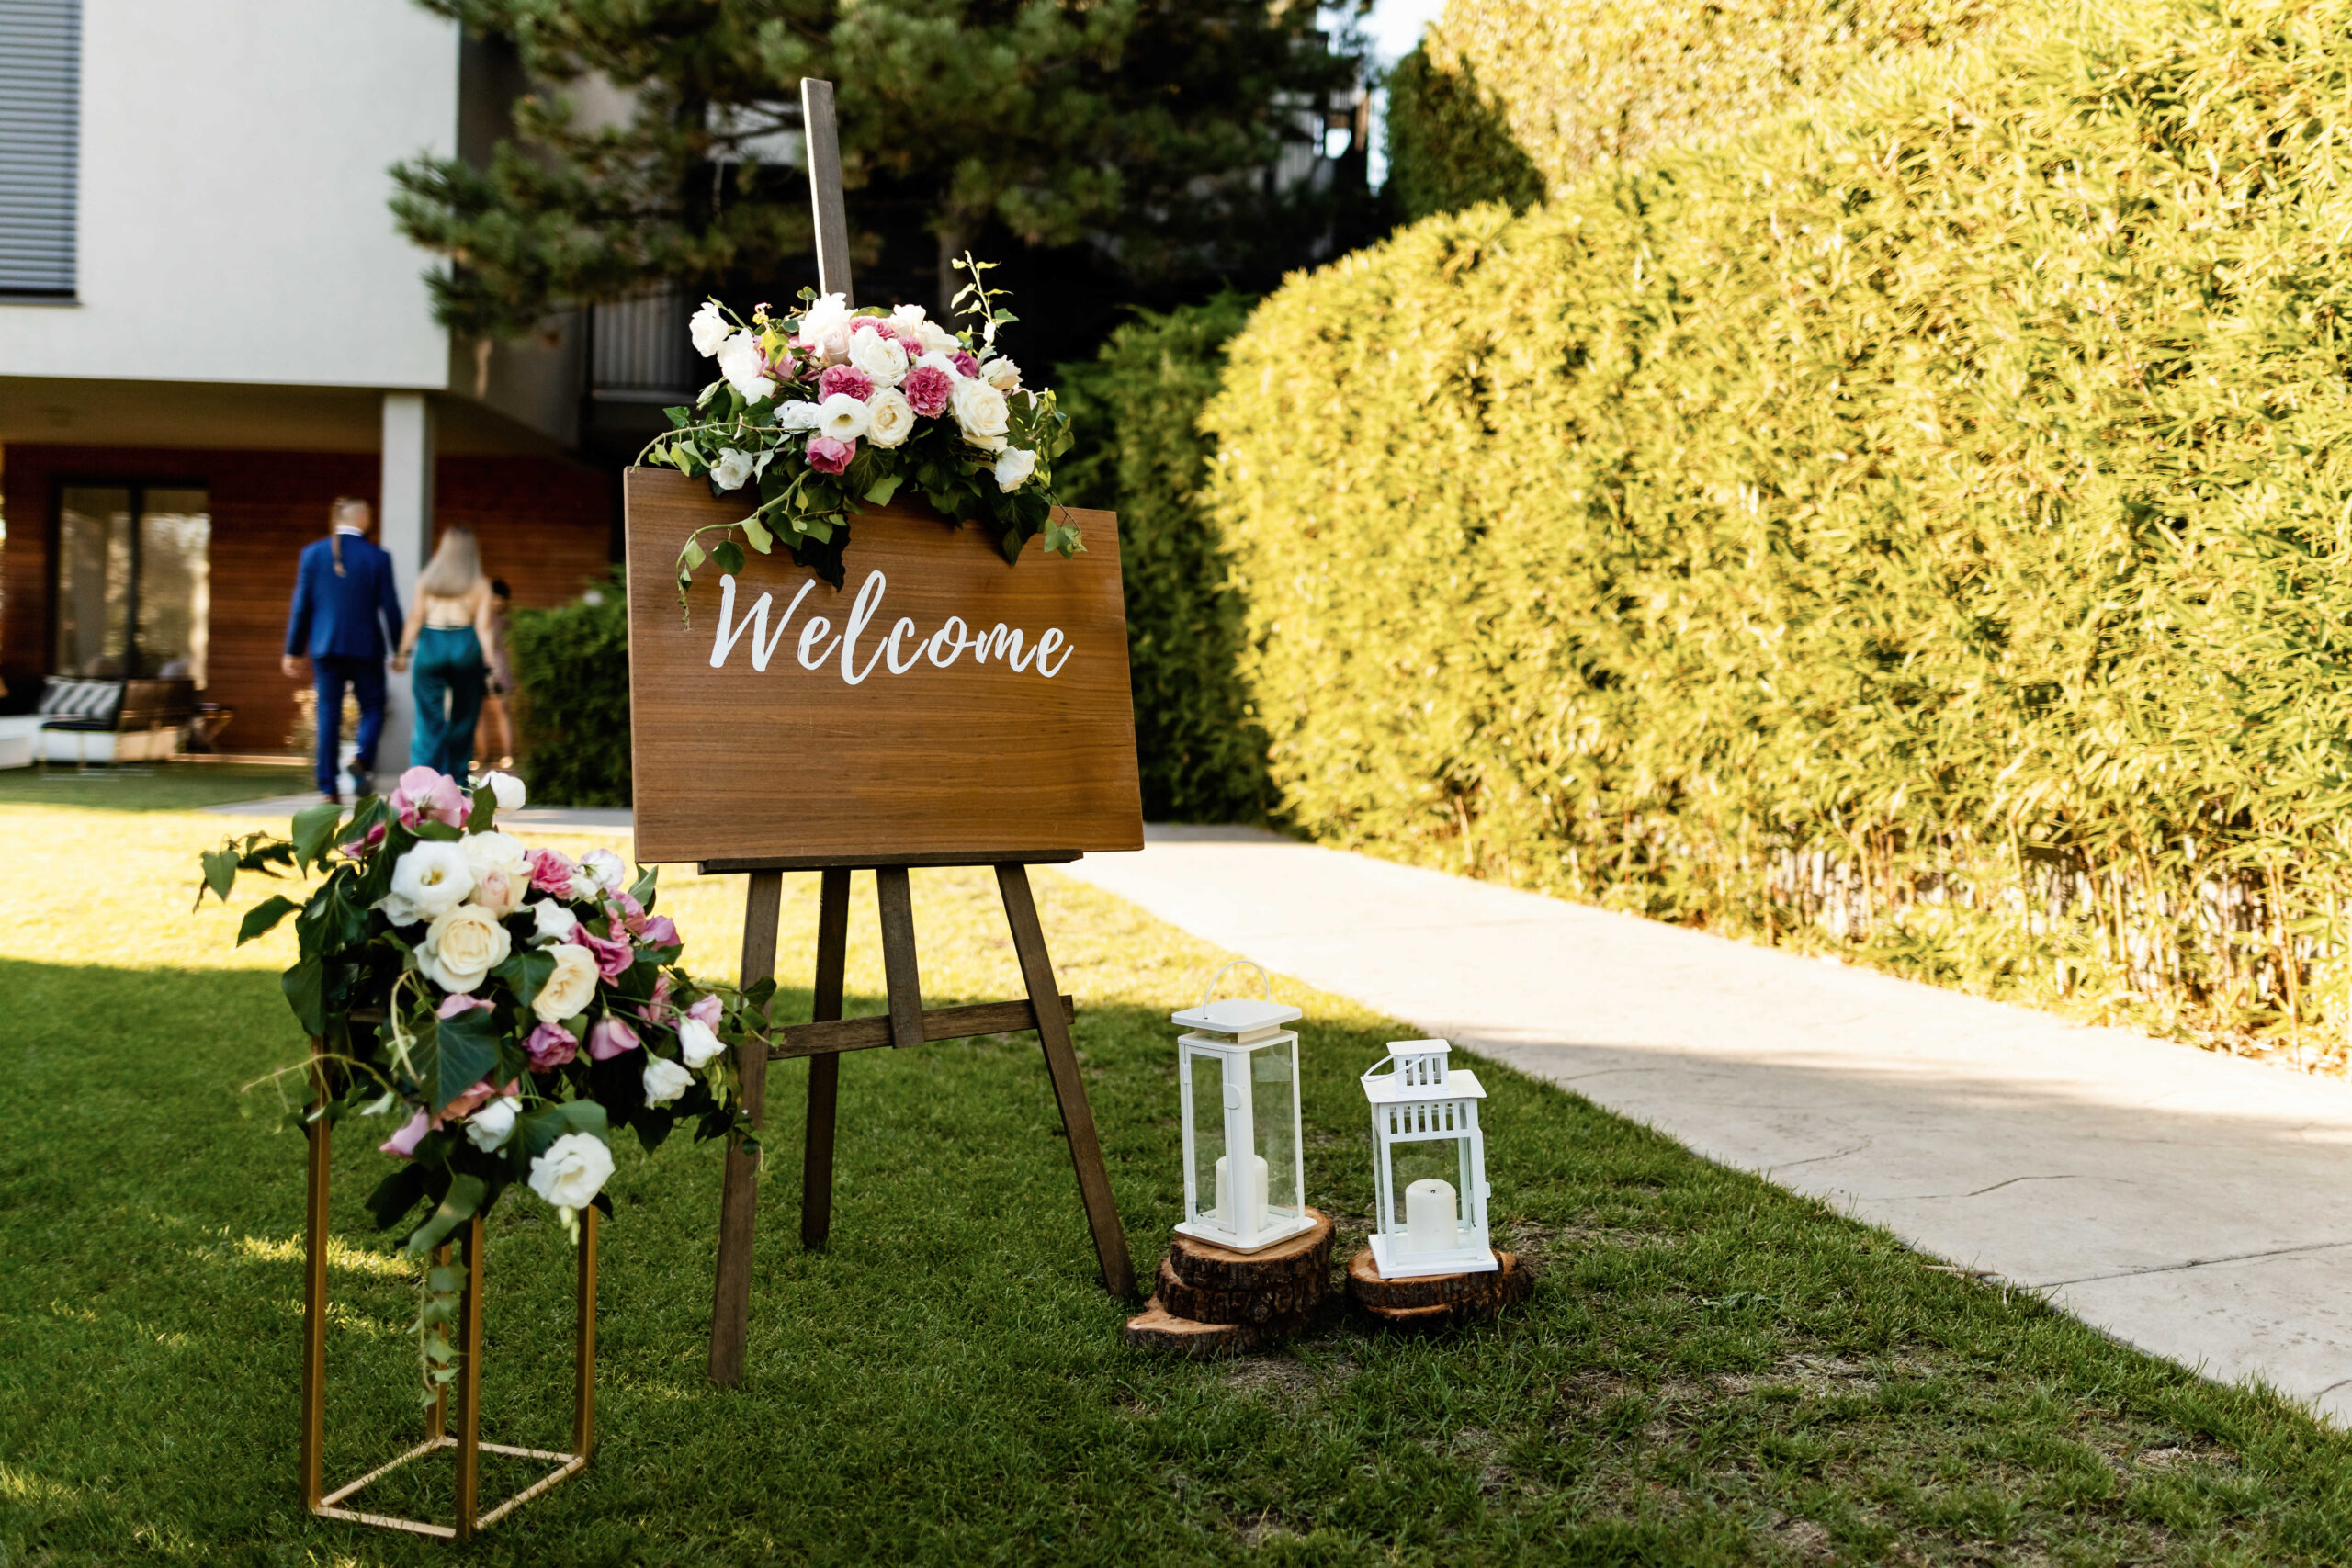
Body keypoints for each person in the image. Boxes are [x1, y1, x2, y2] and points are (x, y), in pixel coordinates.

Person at [283, 497, 402, 803]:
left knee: (328, 714)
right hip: (366, 647)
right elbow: (390, 607)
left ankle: (328, 788)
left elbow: (301, 607)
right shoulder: (377, 557)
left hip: (325, 647)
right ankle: (361, 759)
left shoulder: (312, 554)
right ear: (362, 519)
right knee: (374, 705)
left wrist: (292, 650)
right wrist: (401, 649)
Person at [393, 528, 499, 782]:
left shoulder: (428, 580)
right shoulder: (480, 584)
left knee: (428, 720)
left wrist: (402, 653)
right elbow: (483, 628)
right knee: (464, 717)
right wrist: (491, 666)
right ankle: (457, 782)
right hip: (464, 643)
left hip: (432, 643)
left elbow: (416, 617)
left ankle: (421, 783)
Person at [475, 578, 515, 772]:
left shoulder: (503, 619)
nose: (498, 602)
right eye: (495, 598)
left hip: (496, 666)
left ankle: (507, 754)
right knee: (479, 712)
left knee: (500, 710)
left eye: (501, 599)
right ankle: (482, 755)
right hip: (477, 666)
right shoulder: (480, 616)